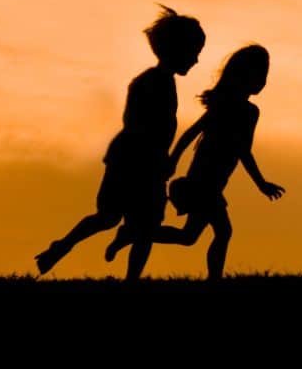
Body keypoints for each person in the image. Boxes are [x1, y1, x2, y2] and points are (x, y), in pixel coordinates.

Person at [35, 6, 205, 278]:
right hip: (136, 162)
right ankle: (69, 250)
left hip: (134, 159)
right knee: (126, 221)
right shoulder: (152, 83)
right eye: (193, 52)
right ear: (177, 50)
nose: (196, 60)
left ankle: (74, 252)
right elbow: (139, 125)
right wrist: (157, 160)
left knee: (127, 221)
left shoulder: (157, 82)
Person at [106, 44, 284, 279]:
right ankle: (214, 279)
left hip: (213, 183)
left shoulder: (249, 111)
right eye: (260, 74)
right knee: (223, 231)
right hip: (203, 182)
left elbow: (240, 149)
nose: (262, 81)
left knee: (188, 237)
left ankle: (133, 234)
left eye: (265, 75)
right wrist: (261, 183)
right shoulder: (229, 108)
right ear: (244, 76)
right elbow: (203, 138)